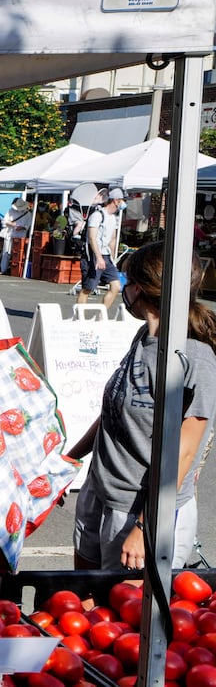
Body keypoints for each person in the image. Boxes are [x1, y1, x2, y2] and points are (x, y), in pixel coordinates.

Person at [69, 241, 216, 570]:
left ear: (141, 288)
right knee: (87, 603)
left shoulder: (194, 357)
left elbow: (184, 454)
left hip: (141, 509)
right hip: (101, 493)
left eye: (126, 279)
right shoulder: (143, 338)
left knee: (130, 616)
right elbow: (113, 415)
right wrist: (70, 459)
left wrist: (143, 525)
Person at [78, 187, 126, 309]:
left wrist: (113, 257)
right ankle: (80, 316)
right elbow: (92, 238)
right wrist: (98, 257)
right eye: (122, 200)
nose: (123, 203)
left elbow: (113, 238)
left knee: (116, 286)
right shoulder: (98, 215)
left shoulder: (113, 218)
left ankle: (101, 316)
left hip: (106, 255)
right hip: (93, 255)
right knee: (88, 288)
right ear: (115, 200)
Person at [0, 197, 32, 275]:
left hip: (20, 236)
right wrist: (13, 224)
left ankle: (16, 270)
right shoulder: (10, 211)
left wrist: (22, 227)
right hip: (9, 234)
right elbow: (4, 221)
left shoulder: (28, 214)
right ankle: (3, 269)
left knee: (17, 253)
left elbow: (28, 225)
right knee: (6, 252)